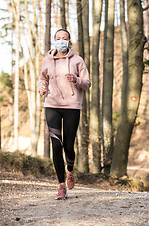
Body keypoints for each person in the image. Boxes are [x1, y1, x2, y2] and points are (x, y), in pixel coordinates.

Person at [37, 29, 91, 200]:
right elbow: (42, 78)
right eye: (58, 38)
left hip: (72, 106)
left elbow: (87, 83)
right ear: (54, 41)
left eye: (64, 39)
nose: (61, 41)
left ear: (69, 42)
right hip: (52, 105)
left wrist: (76, 79)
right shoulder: (47, 60)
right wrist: (41, 87)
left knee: (68, 145)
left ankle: (70, 169)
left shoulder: (77, 60)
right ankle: (61, 186)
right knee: (55, 144)